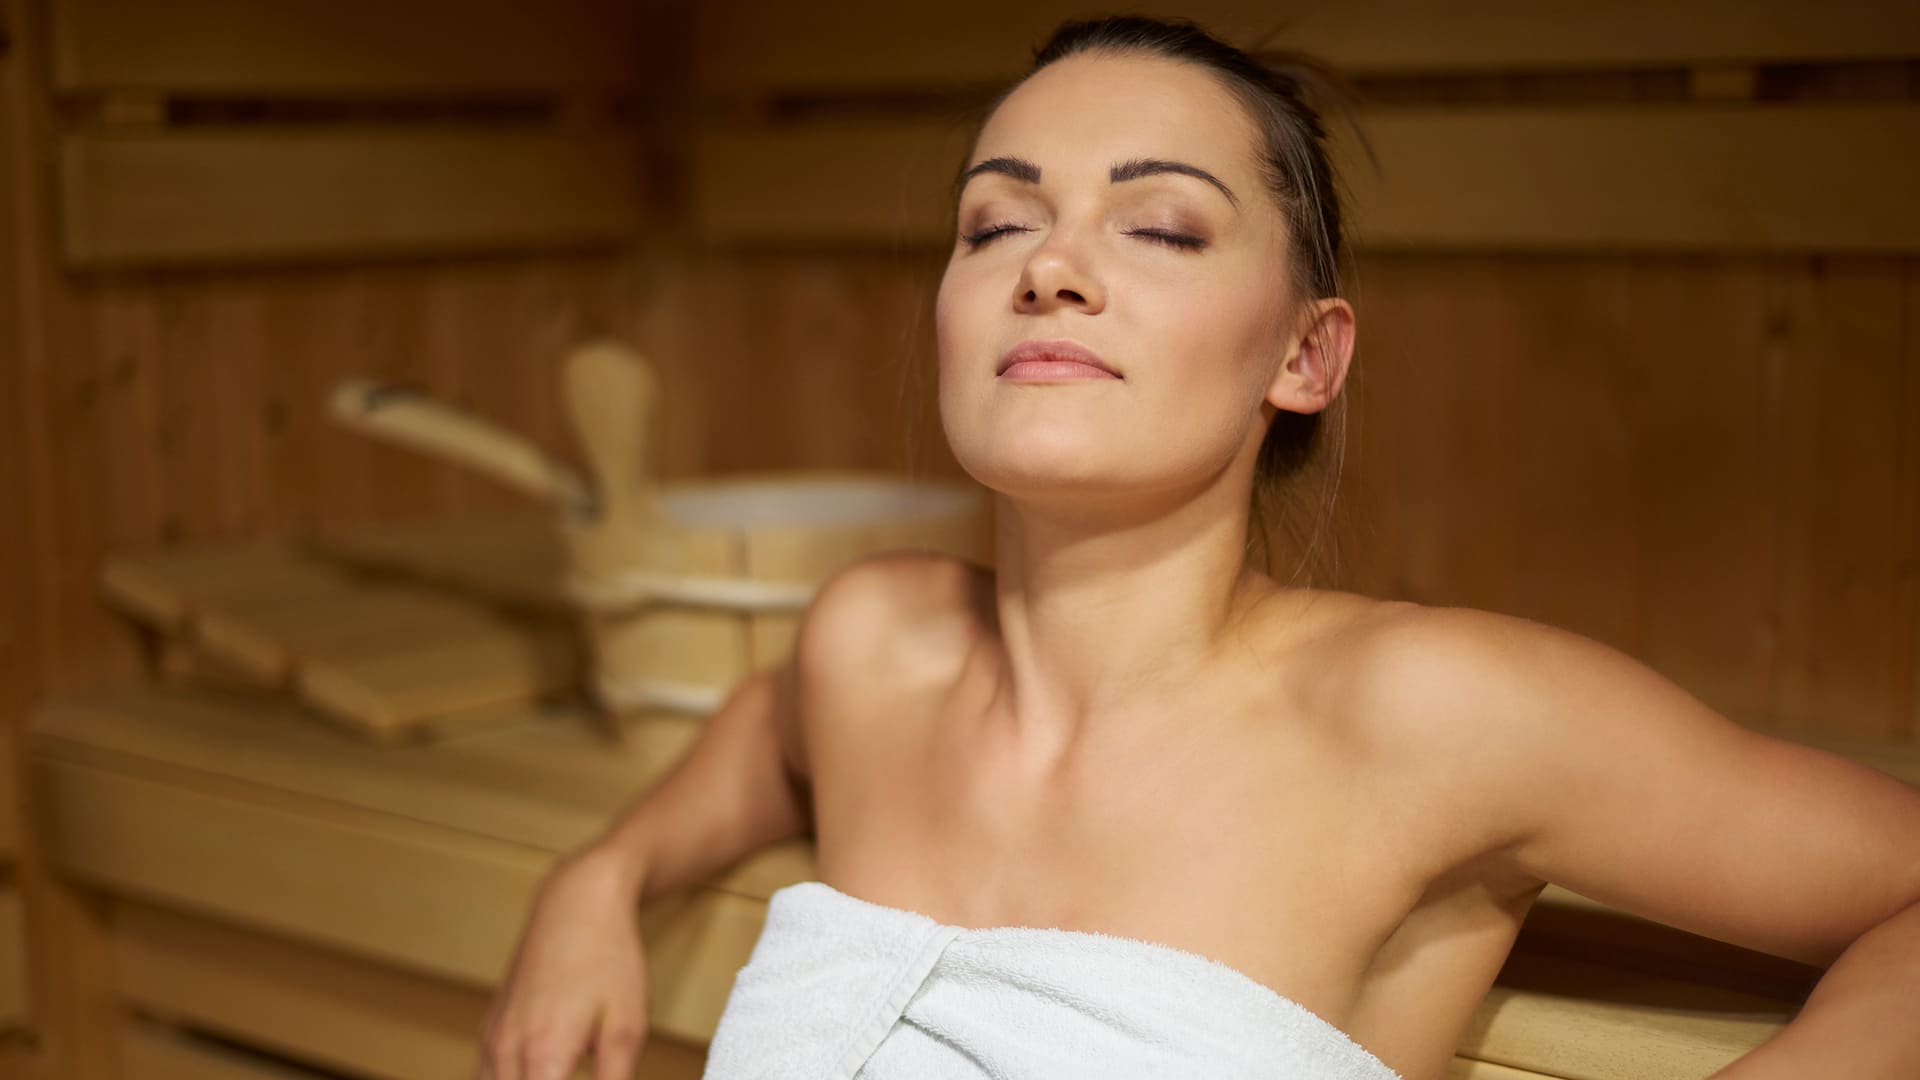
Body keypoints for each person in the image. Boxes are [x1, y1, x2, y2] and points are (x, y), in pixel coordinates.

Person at [478, 15, 1920, 1080]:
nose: (1050, 266)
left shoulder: (1426, 714)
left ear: (1305, 354)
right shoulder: (877, 642)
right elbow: (765, 729)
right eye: (997, 221)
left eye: (1162, 227)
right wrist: (598, 879)